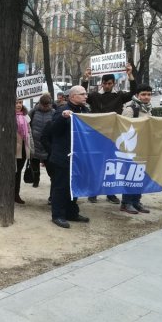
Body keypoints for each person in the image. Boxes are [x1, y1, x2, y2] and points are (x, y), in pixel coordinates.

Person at [82, 63, 137, 204]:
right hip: (97, 135)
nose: (107, 86)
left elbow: (133, 92)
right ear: (101, 83)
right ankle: (93, 191)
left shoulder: (119, 96)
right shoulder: (94, 96)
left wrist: (130, 75)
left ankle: (110, 193)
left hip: (114, 136)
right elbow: (83, 95)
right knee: (97, 164)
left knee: (112, 164)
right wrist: (86, 78)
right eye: (105, 83)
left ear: (113, 83)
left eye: (110, 83)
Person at [49, 85, 91, 229]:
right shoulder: (62, 110)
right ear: (73, 97)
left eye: (86, 94)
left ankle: (72, 213)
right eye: (82, 94)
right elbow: (52, 130)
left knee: (74, 187)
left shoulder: (85, 110)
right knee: (60, 187)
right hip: (63, 156)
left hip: (78, 157)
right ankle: (58, 215)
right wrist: (62, 118)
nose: (86, 96)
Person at [120, 85, 154, 214]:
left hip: (143, 147)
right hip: (131, 149)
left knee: (140, 175)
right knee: (131, 175)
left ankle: (136, 201)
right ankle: (126, 202)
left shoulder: (148, 108)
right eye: (144, 94)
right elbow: (125, 128)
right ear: (138, 95)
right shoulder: (130, 109)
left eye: (149, 94)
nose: (146, 97)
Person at [28, 94, 54, 188]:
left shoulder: (53, 112)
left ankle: (53, 179)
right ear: (40, 103)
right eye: (43, 105)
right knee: (34, 164)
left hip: (47, 144)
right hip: (34, 142)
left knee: (50, 166)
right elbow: (28, 124)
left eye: (47, 105)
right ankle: (36, 180)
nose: (45, 107)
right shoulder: (33, 111)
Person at [14, 99, 32, 204]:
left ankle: (16, 194)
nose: (18, 105)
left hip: (24, 148)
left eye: (20, 102)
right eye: (16, 102)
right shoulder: (8, 116)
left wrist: (31, 148)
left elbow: (29, 132)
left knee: (18, 171)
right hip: (13, 148)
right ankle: (9, 193)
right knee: (11, 171)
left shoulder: (26, 116)